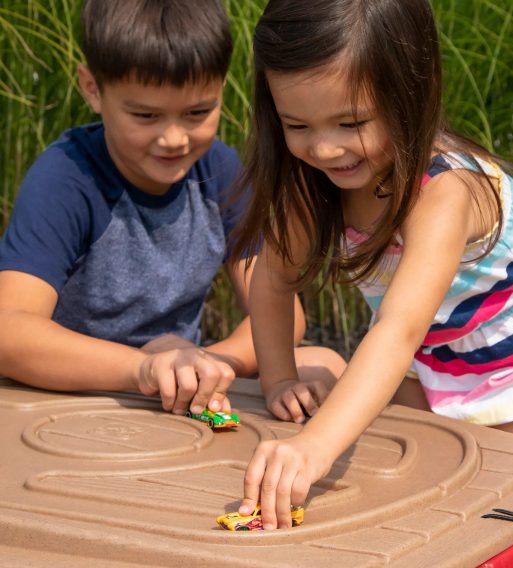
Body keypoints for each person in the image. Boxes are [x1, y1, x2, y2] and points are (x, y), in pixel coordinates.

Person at [232, 0, 513, 529]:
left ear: (410, 94)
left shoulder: (447, 191)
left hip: (509, 350)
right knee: (417, 479)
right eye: (296, 125)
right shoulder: (313, 182)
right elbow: (273, 278)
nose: (325, 149)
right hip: (424, 346)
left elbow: (397, 328)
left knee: (502, 501)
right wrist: (278, 379)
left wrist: (314, 445)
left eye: (350, 123)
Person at [0, 0, 346, 417]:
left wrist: (203, 367)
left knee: (325, 362)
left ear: (219, 89)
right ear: (93, 89)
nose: (174, 139)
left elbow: (285, 316)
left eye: (197, 112)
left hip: (180, 382)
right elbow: (10, 332)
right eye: (145, 115)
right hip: (83, 390)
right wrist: (144, 368)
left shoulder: (219, 171)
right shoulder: (67, 178)